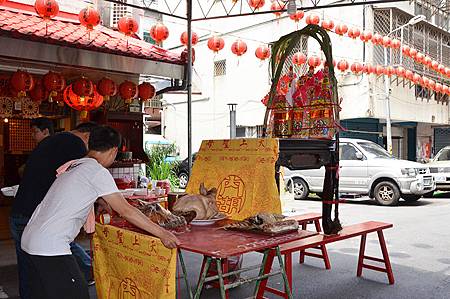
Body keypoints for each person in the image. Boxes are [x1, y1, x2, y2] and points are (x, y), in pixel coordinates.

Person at [21, 125, 180, 299]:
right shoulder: (96, 171)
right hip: (49, 246)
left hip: (30, 239)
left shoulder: (76, 165)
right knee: (77, 294)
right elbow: (126, 210)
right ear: (113, 150)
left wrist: (101, 200)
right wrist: (162, 234)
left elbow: (78, 192)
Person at [9, 122, 98, 299]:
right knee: (57, 258)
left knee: (28, 270)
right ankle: (90, 271)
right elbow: (82, 178)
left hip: (19, 212)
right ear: (87, 136)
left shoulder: (51, 142)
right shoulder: (75, 144)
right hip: (37, 218)